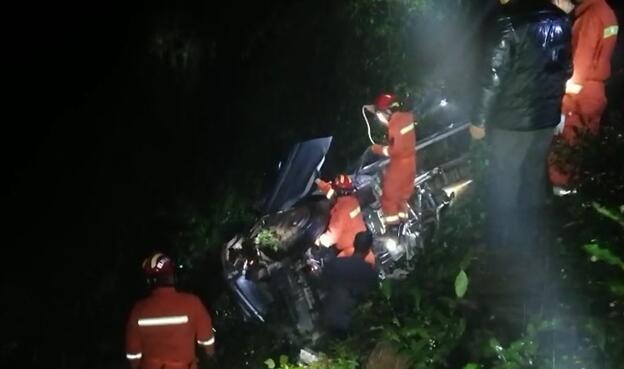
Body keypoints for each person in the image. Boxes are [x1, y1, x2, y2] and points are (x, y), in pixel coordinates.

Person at [470, 0, 572, 253]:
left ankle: (503, 242)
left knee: (505, 179)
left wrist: (479, 121)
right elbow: (566, 69)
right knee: (533, 176)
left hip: (511, 123)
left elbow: (493, 76)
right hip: (545, 118)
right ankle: (532, 236)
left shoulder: (507, 22)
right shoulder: (560, 20)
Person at [548, 0, 619, 195]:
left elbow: (578, 65)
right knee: (583, 151)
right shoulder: (606, 12)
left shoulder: (589, 16)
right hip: (596, 91)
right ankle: (582, 200)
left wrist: (563, 106)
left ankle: (564, 201)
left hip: (579, 95)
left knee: (566, 154)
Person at [125, 252, 215, 369]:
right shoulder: (192, 303)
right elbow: (207, 343)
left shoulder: (138, 310)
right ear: (173, 276)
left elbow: (133, 354)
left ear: (150, 281)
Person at [366, 93, 417, 230]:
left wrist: (378, 149)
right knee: (401, 198)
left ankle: (393, 229)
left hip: (400, 165)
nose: (381, 119)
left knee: (388, 199)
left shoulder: (396, 122)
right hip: (410, 162)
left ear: (387, 111)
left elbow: (395, 150)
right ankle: (404, 226)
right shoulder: (406, 117)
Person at [320, 230, 378, 337]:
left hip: (326, 317)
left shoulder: (334, 263)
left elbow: (321, 285)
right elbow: (370, 298)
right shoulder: (370, 273)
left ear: (354, 244)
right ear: (368, 250)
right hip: (349, 325)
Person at [315, 174, 375, 266]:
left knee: (328, 265)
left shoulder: (342, 209)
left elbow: (333, 235)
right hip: (365, 253)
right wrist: (317, 181)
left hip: (351, 253)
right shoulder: (352, 201)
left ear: (339, 191)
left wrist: (318, 241)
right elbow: (331, 192)